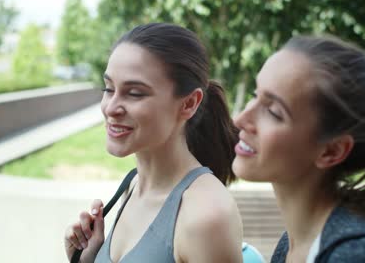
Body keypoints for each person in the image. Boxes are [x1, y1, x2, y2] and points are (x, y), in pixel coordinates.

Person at [64, 23, 244, 263]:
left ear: (189, 103)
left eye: (135, 93)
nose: (111, 107)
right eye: (108, 89)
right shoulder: (132, 185)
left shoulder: (206, 216)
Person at [232, 35, 365, 262]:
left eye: (274, 111)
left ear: (331, 151)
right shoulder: (292, 244)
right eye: (254, 95)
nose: (239, 119)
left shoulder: (359, 256)